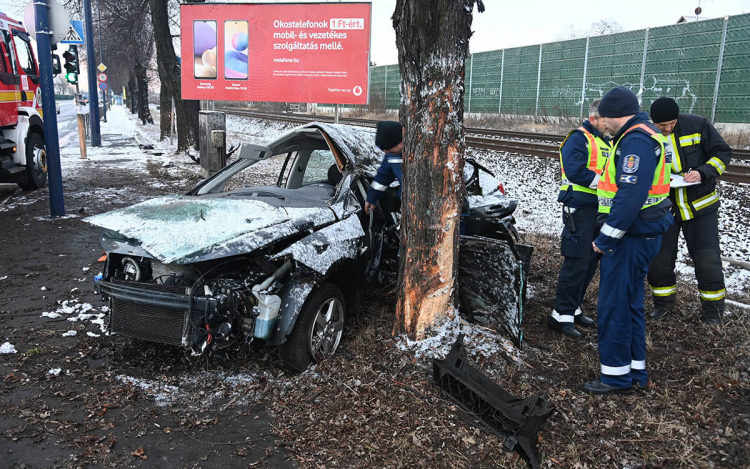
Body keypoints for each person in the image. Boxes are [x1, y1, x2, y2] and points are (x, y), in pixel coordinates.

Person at [585, 86, 673, 395]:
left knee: (613, 306)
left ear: (614, 115)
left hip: (629, 237)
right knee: (632, 303)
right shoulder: (644, 134)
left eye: (603, 118)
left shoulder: (635, 140)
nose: (602, 124)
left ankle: (615, 377)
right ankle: (635, 370)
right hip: (642, 233)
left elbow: (631, 194)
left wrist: (606, 237)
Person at [646, 98, 732, 325]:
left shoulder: (698, 125)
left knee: (707, 261)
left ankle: (713, 313)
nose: (667, 129)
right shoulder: (646, 134)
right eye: (661, 125)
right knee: (659, 260)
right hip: (665, 209)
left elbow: (723, 153)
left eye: (671, 123)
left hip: (701, 207)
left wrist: (703, 172)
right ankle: (663, 306)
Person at [548, 100, 612, 338]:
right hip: (580, 207)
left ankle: (573, 308)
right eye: (607, 120)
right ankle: (560, 315)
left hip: (598, 208)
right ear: (594, 118)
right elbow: (575, 171)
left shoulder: (606, 141)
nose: (610, 125)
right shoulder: (578, 138)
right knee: (576, 260)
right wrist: (608, 183)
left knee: (590, 260)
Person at [364, 121, 403, 215]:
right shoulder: (392, 155)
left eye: (388, 149)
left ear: (400, 142)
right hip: (406, 203)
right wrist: (372, 198)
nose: (386, 152)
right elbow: (382, 178)